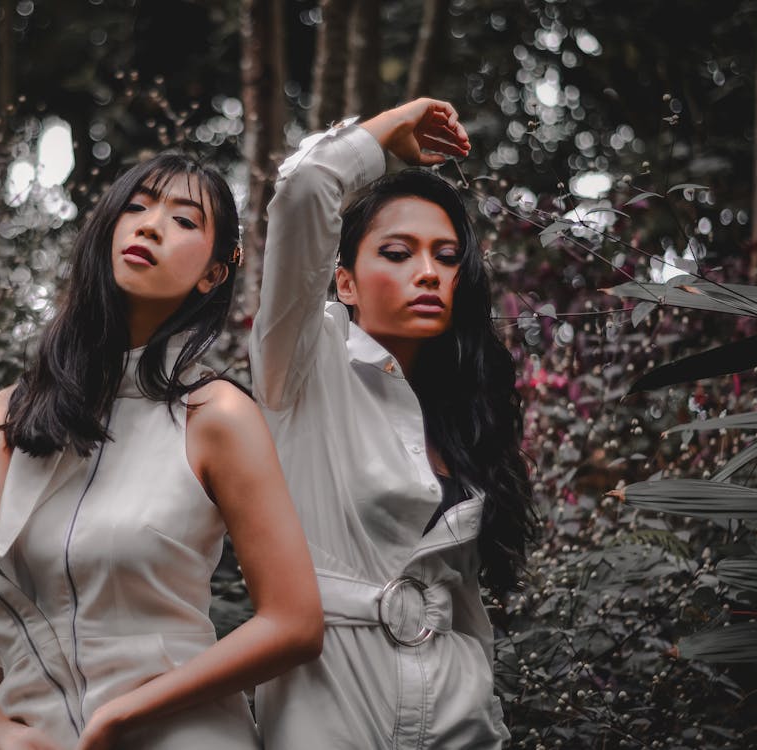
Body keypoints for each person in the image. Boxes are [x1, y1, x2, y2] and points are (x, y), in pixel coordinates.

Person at [0, 152, 324, 750]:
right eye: (136, 207)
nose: (150, 225)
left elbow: (294, 623)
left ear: (213, 275)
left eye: (185, 220)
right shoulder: (11, 417)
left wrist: (121, 715)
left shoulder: (216, 415)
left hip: (184, 734)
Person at [250, 98, 537, 749]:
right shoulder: (301, 369)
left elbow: (463, 603)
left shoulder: (467, 409)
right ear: (344, 282)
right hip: (328, 714)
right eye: (399, 253)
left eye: (446, 256)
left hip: (461, 720)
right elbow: (303, 189)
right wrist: (388, 135)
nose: (428, 272)